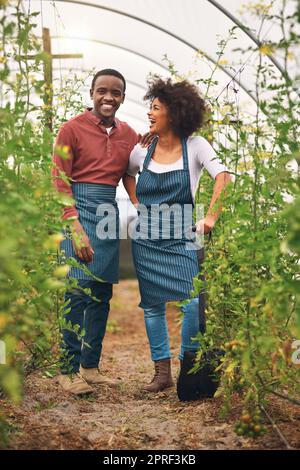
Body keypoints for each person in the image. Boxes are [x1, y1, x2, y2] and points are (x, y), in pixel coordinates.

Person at [123, 77, 232, 393]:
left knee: (192, 303)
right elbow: (127, 174)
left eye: (155, 108)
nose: (149, 113)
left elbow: (223, 177)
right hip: (146, 237)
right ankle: (161, 373)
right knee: (153, 304)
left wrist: (210, 217)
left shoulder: (195, 146)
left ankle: (189, 366)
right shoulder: (141, 150)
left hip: (184, 234)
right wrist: (135, 201)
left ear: (173, 112)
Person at [52, 69, 147, 395]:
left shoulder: (128, 133)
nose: (109, 97)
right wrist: (74, 225)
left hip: (108, 208)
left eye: (116, 92)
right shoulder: (71, 128)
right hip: (78, 207)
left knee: (101, 293)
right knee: (77, 290)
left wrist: (138, 202)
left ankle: (90, 367)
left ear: (122, 96)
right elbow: (59, 180)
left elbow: (131, 172)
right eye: (102, 91)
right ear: (92, 93)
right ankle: (67, 371)